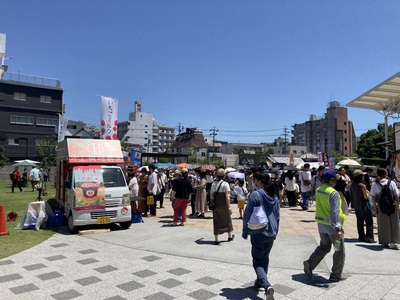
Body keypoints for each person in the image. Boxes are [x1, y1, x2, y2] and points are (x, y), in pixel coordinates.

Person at [242, 171, 280, 300]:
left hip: (258, 231)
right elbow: (278, 216)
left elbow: (247, 214)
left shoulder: (256, 195)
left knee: (257, 261)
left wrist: (244, 231)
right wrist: (276, 232)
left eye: (255, 180)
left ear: (259, 181)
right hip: (271, 231)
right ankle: (260, 281)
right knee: (265, 258)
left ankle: (266, 285)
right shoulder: (274, 196)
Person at [303, 169, 346, 282]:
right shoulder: (333, 193)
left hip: (321, 224)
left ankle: (310, 263)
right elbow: (334, 211)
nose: (337, 180)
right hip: (333, 227)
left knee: (324, 247)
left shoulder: (319, 189)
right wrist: (338, 228)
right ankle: (336, 275)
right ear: (332, 180)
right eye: (336, 179)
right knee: (339, 251)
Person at [370, 168, 400, 249]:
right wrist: (397, 205)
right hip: (392, 205)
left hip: (381, 205)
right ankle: (394, 242)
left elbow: (373, 197)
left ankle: (384, 241)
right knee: (394, 223)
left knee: (383, 224)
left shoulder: (375, 184)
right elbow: (396, 195)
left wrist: (375, 208)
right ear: (386, 174)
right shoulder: (392, 182)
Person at [349, 169, 375, 243]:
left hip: (357, 206)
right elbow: (365, 197)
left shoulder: (352, 185)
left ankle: (361, 236)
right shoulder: (362, 186)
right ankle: (369, 238)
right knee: (369, 222)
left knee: (359, 222)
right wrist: (368, 192)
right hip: (364, 205)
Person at [210, 168, 234, 245]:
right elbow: (227, 196)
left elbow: (211, 195)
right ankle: (229, 236)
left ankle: (216, 239)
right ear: (224, 175)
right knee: (227, 219)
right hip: (224, 204)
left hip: (216, 204)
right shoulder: (225, 184)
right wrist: (229, 207)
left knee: (216, 220)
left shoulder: (213, 183)